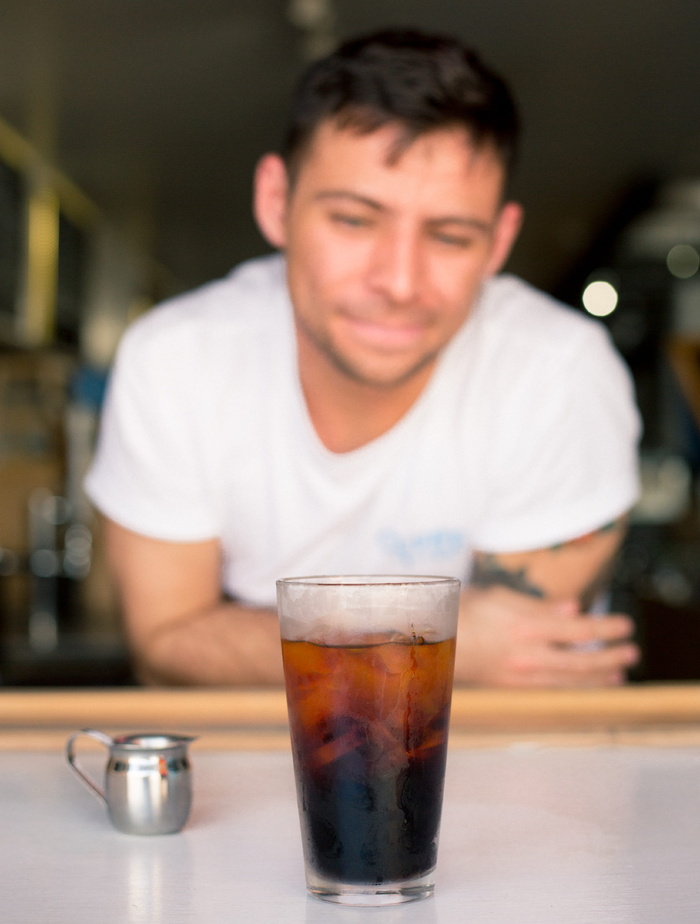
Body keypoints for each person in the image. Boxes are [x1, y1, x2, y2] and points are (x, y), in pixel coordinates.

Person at [85, 28, 641, 687]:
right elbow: (166, 646)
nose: (400, 282)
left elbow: (519, 670)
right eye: (353, 220)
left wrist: (268, 641)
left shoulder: (560, 373)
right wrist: (441, 644)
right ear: (276, 202)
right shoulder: (176, 360)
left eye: (450, 236)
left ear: (498, 243)